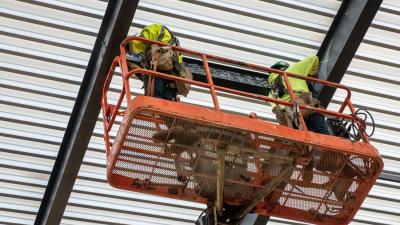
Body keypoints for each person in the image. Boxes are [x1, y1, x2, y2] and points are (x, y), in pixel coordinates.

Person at [267, 55, 330, 135]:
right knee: (322, 132)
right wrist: (311, 74)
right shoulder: (292, 70)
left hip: (291, 119)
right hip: (303, 107)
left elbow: (277, 110)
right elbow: (314, 58)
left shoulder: (271, 92)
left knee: (306, 139)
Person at [126, 24, 187, 101]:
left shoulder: (152, 31)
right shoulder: (175, 49)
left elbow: (139, 43)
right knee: (166, 105)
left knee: (153, 100)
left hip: (158, 69)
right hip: (172, 78)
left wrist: (129, 45)